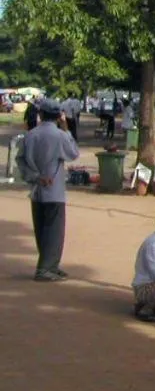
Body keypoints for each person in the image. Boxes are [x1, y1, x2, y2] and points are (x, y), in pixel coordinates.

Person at [18, 98, 80, 281]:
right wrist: (66, 129)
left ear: (41, 114)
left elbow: (20, 159)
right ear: (58, 116)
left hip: (37, 188)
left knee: (41, 229)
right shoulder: (60, 136)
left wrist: (35, 176)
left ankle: (50, 264)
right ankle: (45, 268)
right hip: (54, 190)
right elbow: (73, 153)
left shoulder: (31, 135)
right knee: (54, 231)